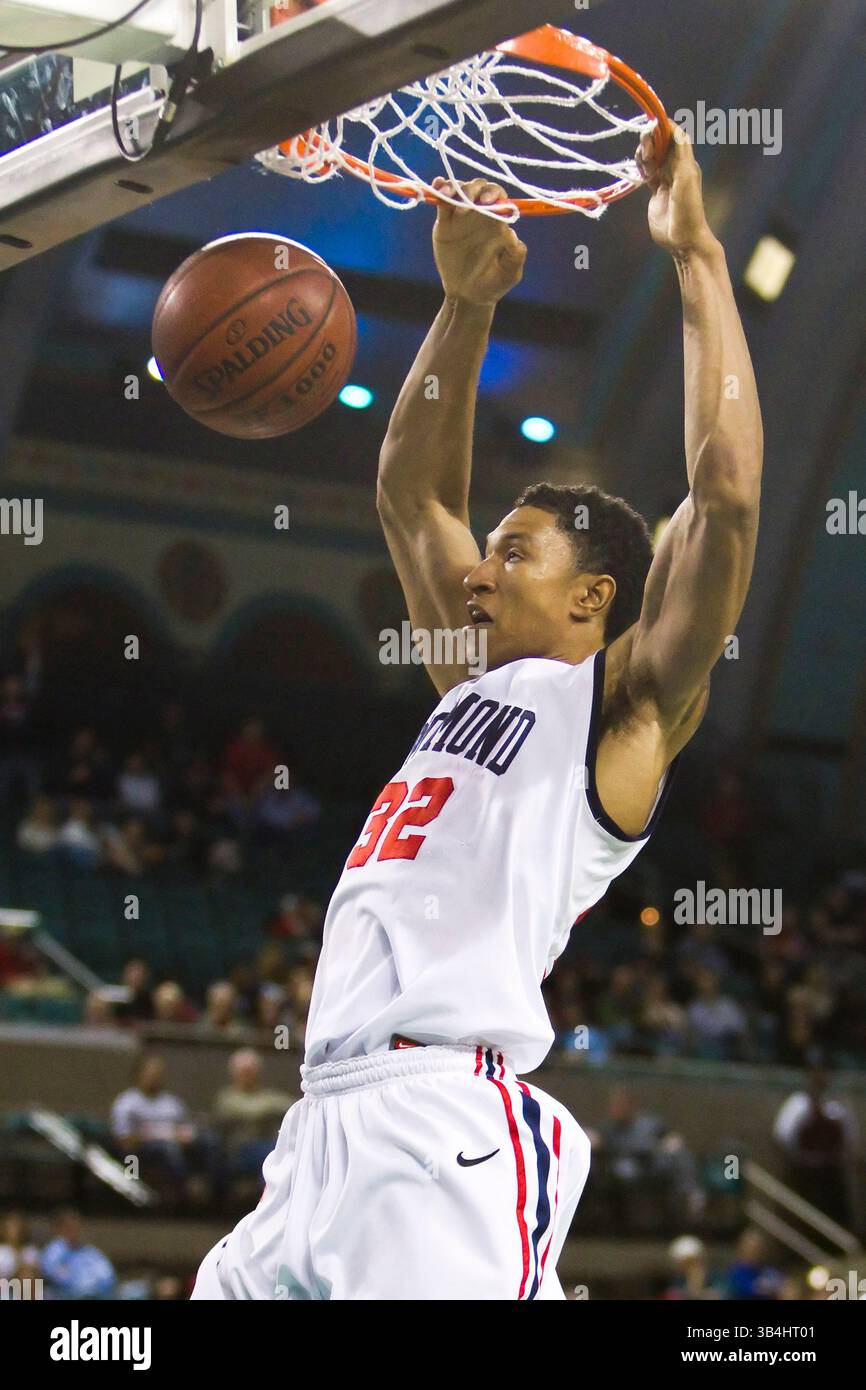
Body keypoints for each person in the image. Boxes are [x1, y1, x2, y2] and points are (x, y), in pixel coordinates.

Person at [193, 122, 763, 1300]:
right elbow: (409, 491)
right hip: (321, 1129)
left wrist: (696, 253)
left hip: (440, 1129)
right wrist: (463, 303)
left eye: (511, 553)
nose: (475, 571)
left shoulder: (621, 711)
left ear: (593, 596)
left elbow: (726, 498)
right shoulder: (469, 678)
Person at [41, 1209, 115, 1299]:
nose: (73, 1230)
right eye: (68, 1227)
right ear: (58, 1229)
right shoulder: (53, 1251)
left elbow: (108, 1277)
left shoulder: (92, 1252)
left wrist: (93, 1289)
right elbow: (55, 1276)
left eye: (75, 1226)